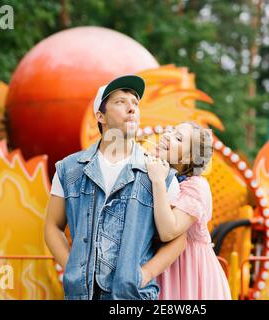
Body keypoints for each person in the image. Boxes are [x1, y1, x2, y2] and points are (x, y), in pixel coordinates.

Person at [44, 75, 186, 300]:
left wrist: (145, 273)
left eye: (135, 103)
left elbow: (178, 239)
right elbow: (52, 226)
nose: (132, 108)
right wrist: (73, 270)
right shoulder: (68, 169)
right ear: (100, 116)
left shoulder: (161, 174)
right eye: (121, 102)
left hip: (133, 297)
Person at [145, 122, 232, 299]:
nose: (168, 135)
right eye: (170, 130)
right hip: (160, 266)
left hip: (189, 272)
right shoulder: (157, 172)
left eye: (178, 138)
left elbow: (168, 231)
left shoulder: (196, 187)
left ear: (189, 157)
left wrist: (158, 181)